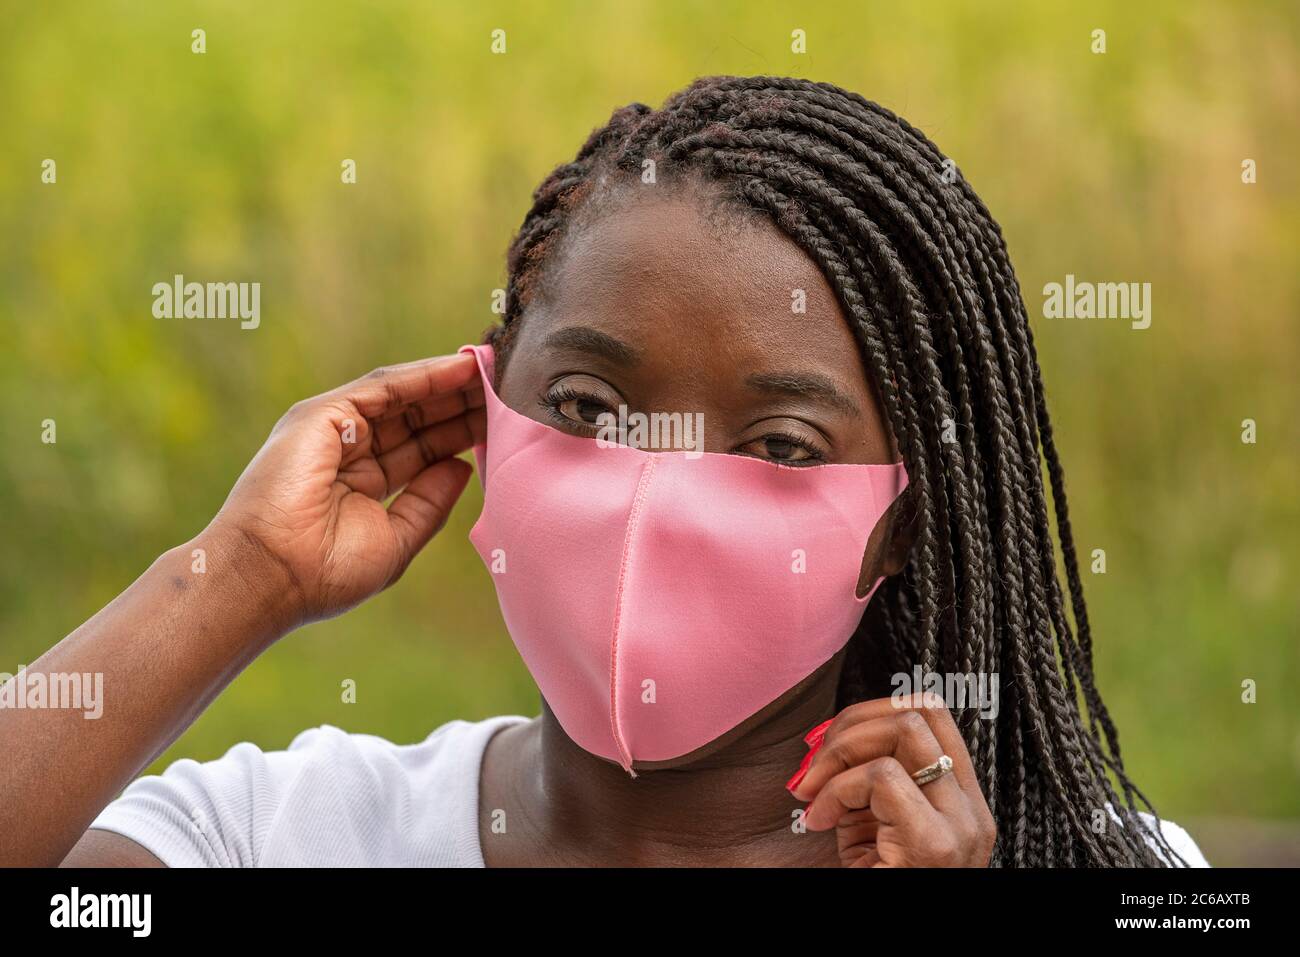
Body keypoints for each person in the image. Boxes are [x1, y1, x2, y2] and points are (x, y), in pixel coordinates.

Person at [1, 76, 1208, 867]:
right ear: (485, 408)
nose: (657, 492)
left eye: (780, 445)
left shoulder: (1103, 862)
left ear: (898, 523)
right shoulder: (283, 835)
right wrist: (238, 577)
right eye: (590, 408)